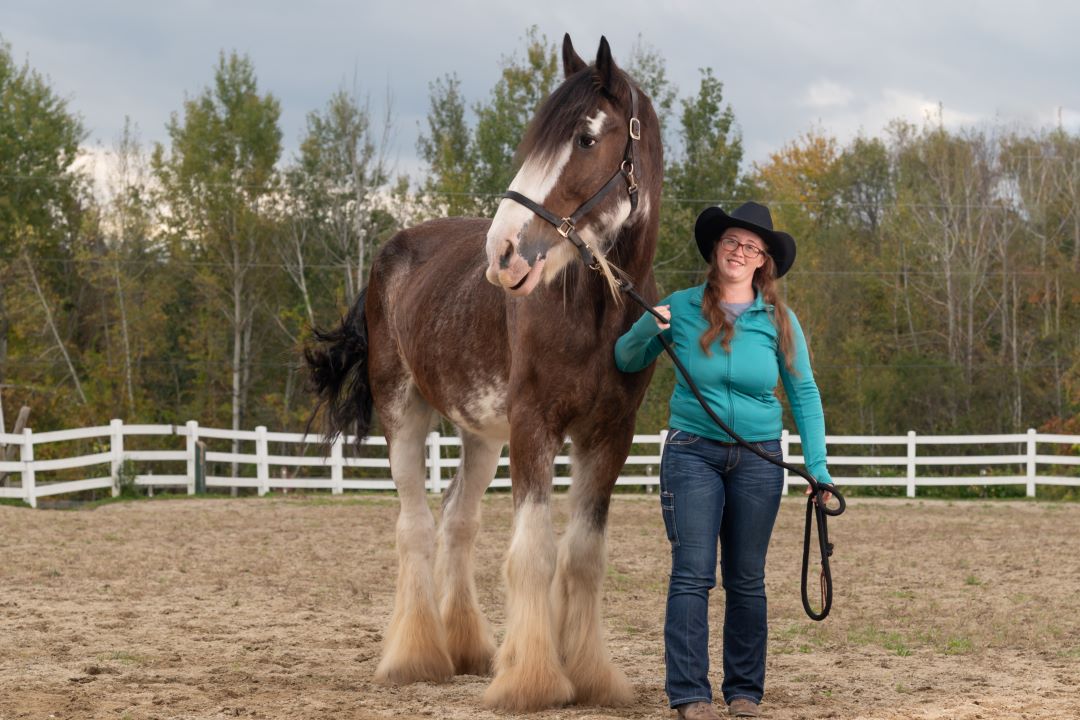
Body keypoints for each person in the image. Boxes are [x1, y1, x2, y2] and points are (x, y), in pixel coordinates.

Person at [614, 202, 833, 720]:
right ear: (716, 248)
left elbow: (804, 393)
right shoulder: (681, 307)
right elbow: (625, 358)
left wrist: (818, 468)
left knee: (747, 579)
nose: (739, 251)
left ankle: (744, 693)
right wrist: (648, 329)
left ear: (763, 262)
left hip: (760, 460)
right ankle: (690, 695)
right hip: (692, 454)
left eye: (751, 247)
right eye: (732, 241)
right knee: (692, 574)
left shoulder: (780, 320)